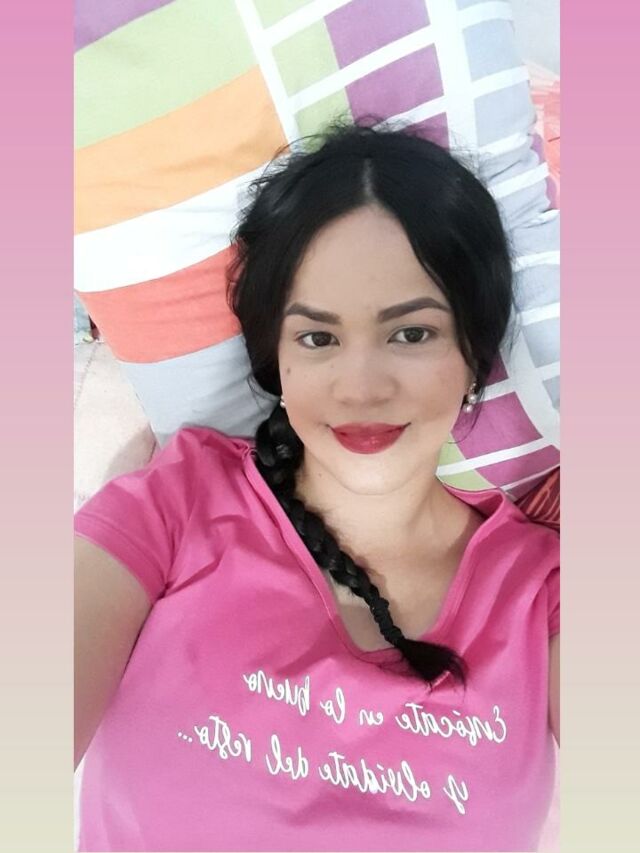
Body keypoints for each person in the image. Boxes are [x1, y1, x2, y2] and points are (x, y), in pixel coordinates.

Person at [74, 120, 560, 852]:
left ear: (474, 351)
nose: (360, 387)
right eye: (318, 338)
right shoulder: (177, 503)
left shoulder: (542, 589)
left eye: (411, 333)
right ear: (278, 357)